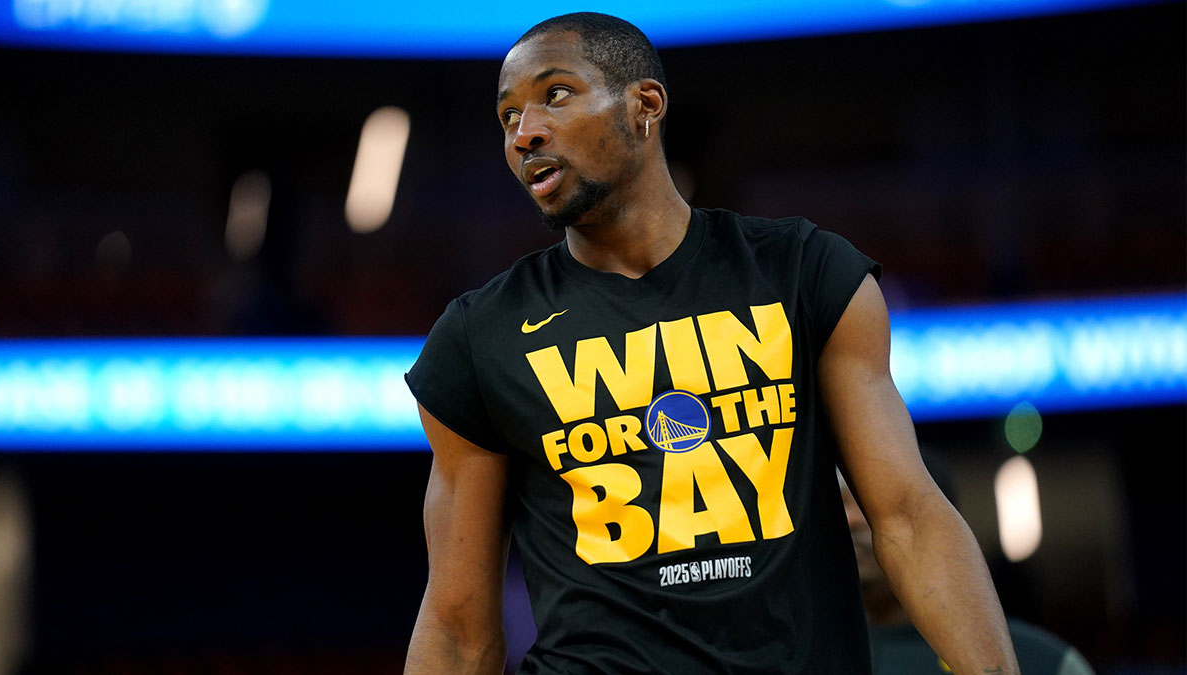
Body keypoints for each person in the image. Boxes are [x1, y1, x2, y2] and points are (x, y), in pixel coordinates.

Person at [404, 12, 1019, 674]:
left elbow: (909, 515)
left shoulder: (803, 272)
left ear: (645, 106)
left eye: (554, 94)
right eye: (507, 118)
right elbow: (457, 623)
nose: (525, 133)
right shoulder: (479, 335)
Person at [839, 455, 1096, 675]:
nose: (850, 520)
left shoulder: (1043, 662)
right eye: (841, 503)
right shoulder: (816, 653)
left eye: (866, 502)